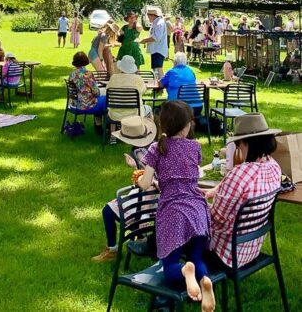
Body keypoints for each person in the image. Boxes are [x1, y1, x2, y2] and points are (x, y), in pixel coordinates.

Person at [137, 101, 213, 310]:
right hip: (197, 210)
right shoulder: (195, 147)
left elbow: (145, 183)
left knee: (169, 265)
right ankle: (204, 279)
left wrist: (141, 181)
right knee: (196, 257)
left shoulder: (156, 148)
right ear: (186, 126)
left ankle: (183, 272)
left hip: (173, 212)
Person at [206, 114, 282, 269]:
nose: (238, 149)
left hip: (224, 254)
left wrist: (199, 204)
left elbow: (216, 218)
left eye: (239, 145)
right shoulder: (274, 166)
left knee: (180, 225)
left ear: (247, 144)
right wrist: (217, 189)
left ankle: (170, 281)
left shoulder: (239, 174)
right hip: (251, 249)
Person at [92, 115, 158, 262]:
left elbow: (148, 179)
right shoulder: (156, 146)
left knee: (108, 210)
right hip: (156, 196)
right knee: (127, 204)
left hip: (150, 197)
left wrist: (134, 166)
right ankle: (140, 238)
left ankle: (113, 249)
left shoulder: (140, 151)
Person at [67, 51, 106, 130]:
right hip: (86, 105)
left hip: (73, 104)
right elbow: (96, 92)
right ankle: (103, 127)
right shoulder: (87, 74)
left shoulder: (72, 74)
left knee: (100, 101)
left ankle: (98, 125)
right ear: (85, 61)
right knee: (106, 100)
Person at [145, 6, 169, 80]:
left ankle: (160, 85)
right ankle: (157, 84)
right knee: (156, 68)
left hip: (158, 49)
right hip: (156, 49)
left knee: (158, 68)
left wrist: (145, 40)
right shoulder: (156, 22)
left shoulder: (159, 23)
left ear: (152, 15)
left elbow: (156, 37)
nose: (148, 18)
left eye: (148, 16)